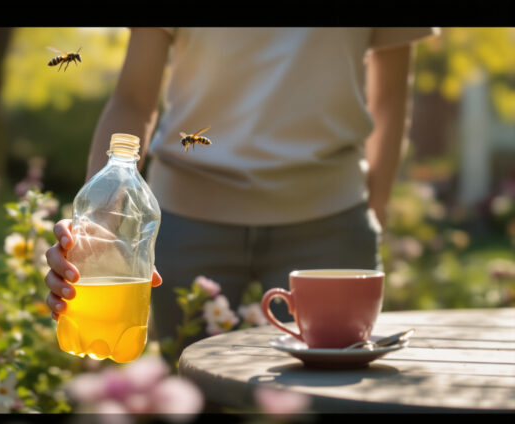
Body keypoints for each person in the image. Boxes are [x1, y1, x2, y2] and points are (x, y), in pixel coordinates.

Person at [44, 27, 439, 358]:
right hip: (185, 226)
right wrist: (96, 228)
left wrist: (376, 208)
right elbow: (132, 99)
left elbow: (389, 99)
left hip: (330, 227)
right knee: (191, 399)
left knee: (326, 400)